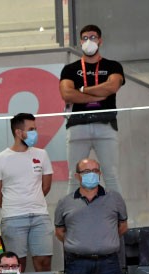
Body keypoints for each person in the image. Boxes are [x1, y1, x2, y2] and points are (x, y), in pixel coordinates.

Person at [59, 24, 125, 194]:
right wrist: (98, 95)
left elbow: (111, 87)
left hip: (106, 125)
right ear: (80, 42)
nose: (89, 41)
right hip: (77, 125)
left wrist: (81, 90)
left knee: (111, 175)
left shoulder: (113, 66)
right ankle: (71, 217)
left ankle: (120, 217)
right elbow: (67, 94)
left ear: (100, 41)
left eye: (93, 37)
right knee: (74, 176)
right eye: (85, 38)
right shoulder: (70, 69)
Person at [0, 113, 53, 272]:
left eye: (35, 129)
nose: (35, 133)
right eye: (31, 129)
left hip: (40, 217)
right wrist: (14, 205)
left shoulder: (41, 154)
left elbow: (46, 186)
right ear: (18, 132)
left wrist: (32, 201)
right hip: (13, 218)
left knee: (44, 262)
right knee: (16, 265)